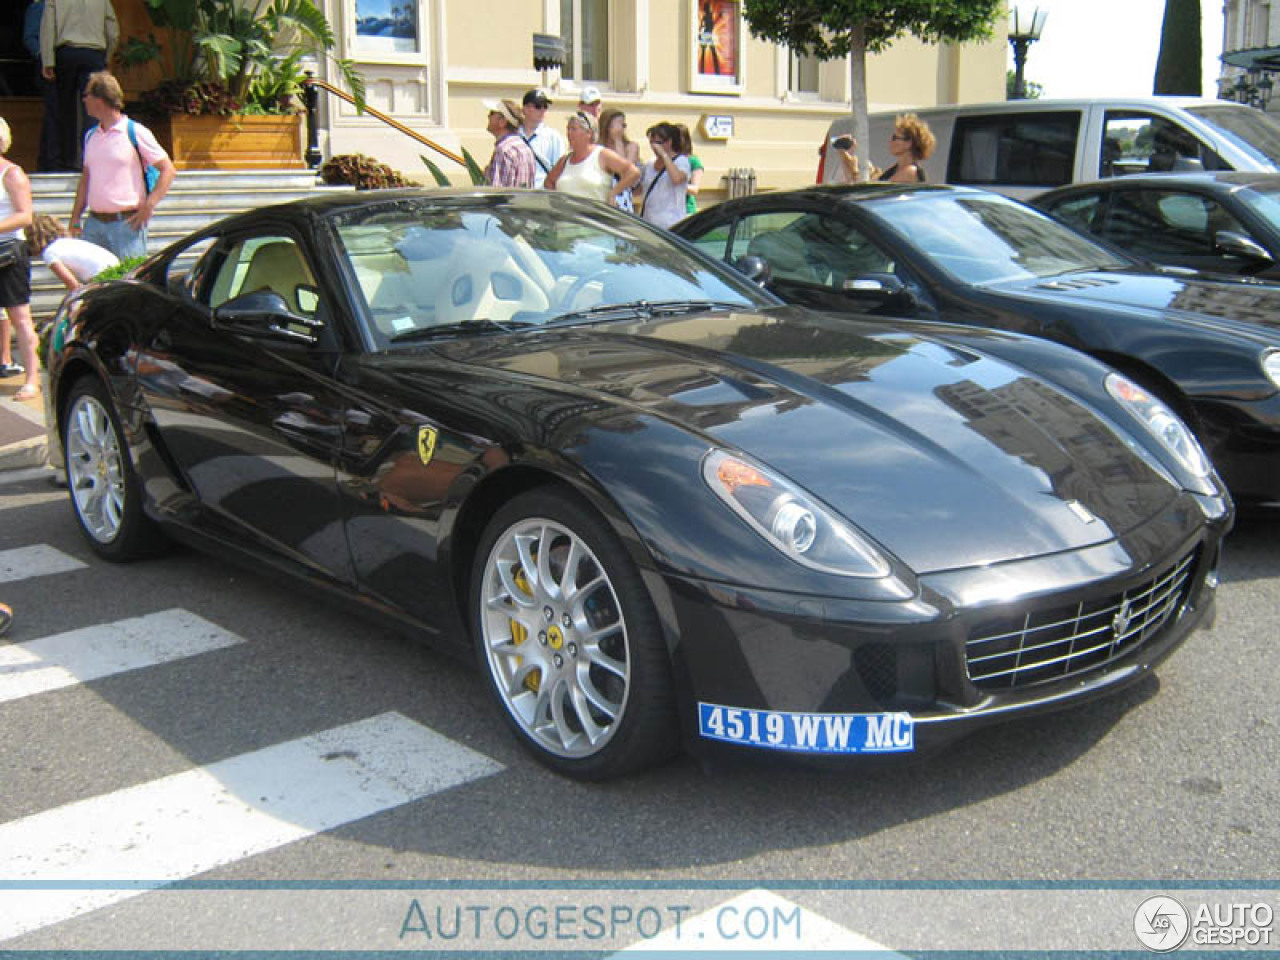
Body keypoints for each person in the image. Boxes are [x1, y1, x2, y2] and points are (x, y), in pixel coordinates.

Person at [68, 72, 176, 260]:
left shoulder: (134, 132)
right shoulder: (90, 136)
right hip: (94, 223)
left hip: (126, 223)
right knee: (92, 283)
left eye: (87, 95)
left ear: (100, 100)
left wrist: (149, 206)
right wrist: (76, 217)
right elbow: (86, 179)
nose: (84, 100)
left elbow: (168, 169)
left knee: (128, 280)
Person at [41, 0, 118, 171]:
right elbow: (112, 29)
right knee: (95, 108)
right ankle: (94, 159)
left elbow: (48, 27)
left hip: (66, 53)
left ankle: (68, 161)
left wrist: (48, 60)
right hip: (94, 53)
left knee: (65, 109)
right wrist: (107, 57)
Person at [0, 118, 42, 401]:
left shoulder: (12, 173)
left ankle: (32, 378)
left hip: (9, 253)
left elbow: (25, 215)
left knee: (20, 316)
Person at [544, 112, 640, 206]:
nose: (569, 133)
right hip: (567, 219)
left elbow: (633, 172)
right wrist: (556, 202)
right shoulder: (565, 160)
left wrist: (613, 194)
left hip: (594, 219)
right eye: (568, 129)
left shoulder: (602, 155)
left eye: (574, 129)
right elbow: (549, 182)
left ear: (588, 133)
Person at [26, 214, 117, 289]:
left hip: (101, 277)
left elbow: (72, 284)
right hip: (115, 268)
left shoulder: (50, 253)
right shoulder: (69, 242)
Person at [638, 122, 690, 229]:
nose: (654, 147)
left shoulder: (681, 161)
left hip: (672, 224)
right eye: (651, 143)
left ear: (669, 142)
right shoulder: (650, 163)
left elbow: (677, 178)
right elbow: (641, 189)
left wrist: (664, 155)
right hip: (650, 223)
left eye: (658, 143)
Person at [481, 98, 537, 188]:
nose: (488, 116)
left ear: (502, 122)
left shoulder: (503, 150)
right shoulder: (525, 148)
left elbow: (497, 191)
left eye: (492, 113)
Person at [518, 88, 566, 189]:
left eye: (545, 106)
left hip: (543, 193)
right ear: (526, 109)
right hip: (518, 192)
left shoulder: (553, 137)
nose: (543, 110)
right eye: (538, 106)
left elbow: (560, 169)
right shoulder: (515, 135)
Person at [598, 108, 640, 212]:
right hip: (600, 195)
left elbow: (625, 173)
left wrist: (618, 140)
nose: (622, 129)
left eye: (623, 125)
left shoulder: (631, 147)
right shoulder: (599, 148)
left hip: (621, 198)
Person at [877, 113, 935, 183]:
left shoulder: (910, 172)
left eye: (895, 138)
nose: (890, 141)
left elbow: (887, 190)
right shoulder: (896, 169)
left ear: (909, 143)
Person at [674, 123, 704, 215]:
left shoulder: (693, 161)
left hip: (686, 209)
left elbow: (695, 189)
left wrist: (676, 185)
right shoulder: (667, 160)